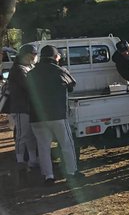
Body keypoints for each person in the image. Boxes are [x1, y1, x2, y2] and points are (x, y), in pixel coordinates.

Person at [27, 45, 83, 184]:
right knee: (66, 144)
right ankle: (72, 172)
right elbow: (72, 85)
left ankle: (48, 176)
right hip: (57, 115)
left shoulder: (31, 73)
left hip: (36, 116)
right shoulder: (59, 70)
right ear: (55, 56)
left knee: (43, 147)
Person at [7, 44, 38, 172]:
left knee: (31, 136)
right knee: (22, 135)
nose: (35, 57)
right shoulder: (19, 69)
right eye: (34, 54)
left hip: (28, 107)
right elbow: (29, 85)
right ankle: (20, 161)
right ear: (27, 55)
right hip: (21, 108)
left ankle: (33, 160)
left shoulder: (28, 67)